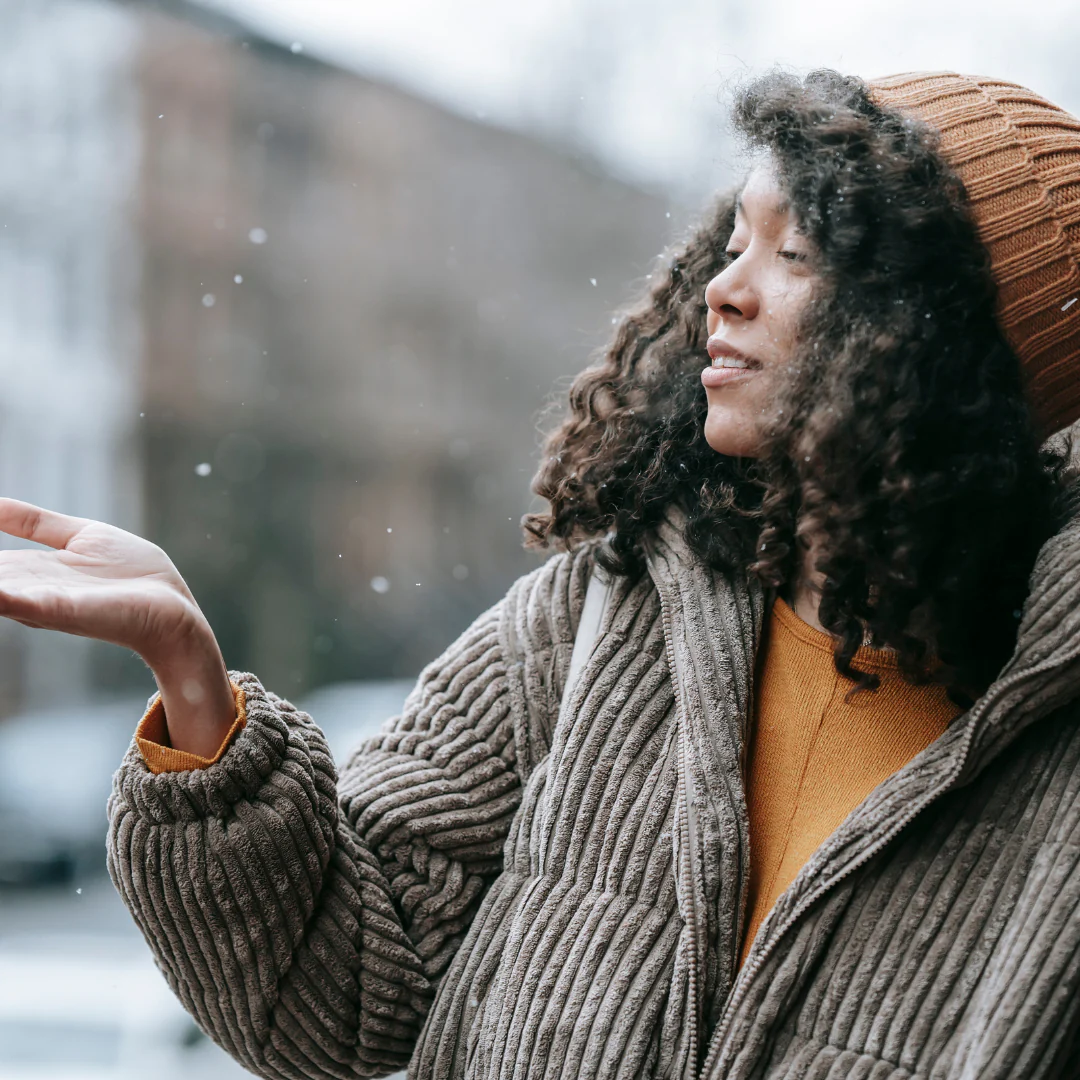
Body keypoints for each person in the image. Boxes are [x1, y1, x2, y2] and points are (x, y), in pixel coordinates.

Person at [4, 67, 1080, 1079]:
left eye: (796, 256)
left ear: (950, 344)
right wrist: (193, 679)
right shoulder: (597, 617)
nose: (724, 291)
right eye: (733, 240)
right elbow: (327, 1003)